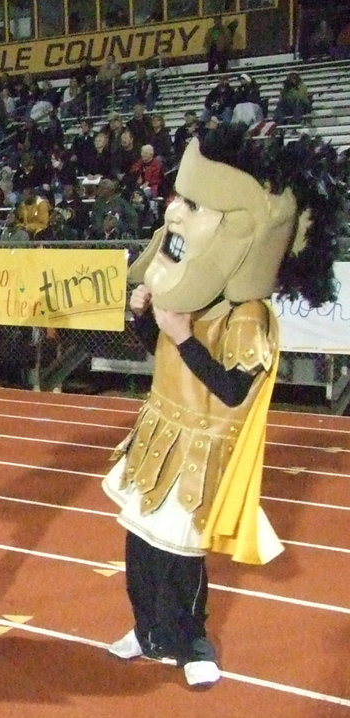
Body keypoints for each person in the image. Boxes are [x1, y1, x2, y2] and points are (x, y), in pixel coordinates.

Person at [105, 128, 346, 687]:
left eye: (192, 204)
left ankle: (193, 641)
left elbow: (233, 389)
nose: (174, 212)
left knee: (182, 556)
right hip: (156, 437)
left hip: (198, 452)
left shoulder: (247, 313)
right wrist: (146, 319)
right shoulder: (192, 292)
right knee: (140, 546)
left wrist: (184, 336)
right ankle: (146, 631)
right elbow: (161, 353)